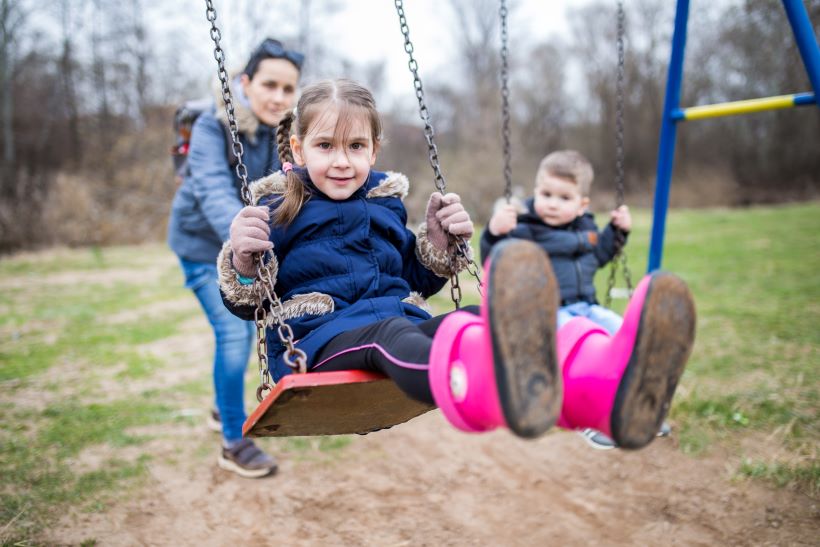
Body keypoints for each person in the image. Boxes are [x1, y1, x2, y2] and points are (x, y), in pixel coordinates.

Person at [219, 79, 696, 451]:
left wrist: (439, 245)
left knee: (484, 320)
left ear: (374, 149)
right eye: (325, 146)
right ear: (299, 150)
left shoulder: (385, 205)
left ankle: (605, 391)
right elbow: (248, 302)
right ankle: (492, 392)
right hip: (317, 341)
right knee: (393, 338)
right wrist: (242, 258)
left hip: (392, 318)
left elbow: (413, 278)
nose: (342, 162)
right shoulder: (277, 210)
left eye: (356, 147)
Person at [167, 38, 303, 478]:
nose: (278, 97)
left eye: (288, 89)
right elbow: (212, 189)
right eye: (269, 85)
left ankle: (220, 406)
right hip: (202, 247)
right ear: (245, 82)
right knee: (233, 334)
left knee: (251, 328)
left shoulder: (285, 133)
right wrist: (247, 238)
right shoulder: (213, 126)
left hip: (247, 250)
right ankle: (232, 442)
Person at [480, 149, 671, 449]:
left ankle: (637, 405)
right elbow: (495, 264)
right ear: (535, 193)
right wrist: (493, 233)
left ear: (582, 205)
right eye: (546, 194)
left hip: (587, 307)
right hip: (547, 314)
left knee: (625, 333)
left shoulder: (587, 230)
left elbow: (600, 256)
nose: (553, 203)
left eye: (564, 198)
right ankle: (589, 416)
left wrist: (618, 232)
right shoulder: (523, 229)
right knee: (584, 344)